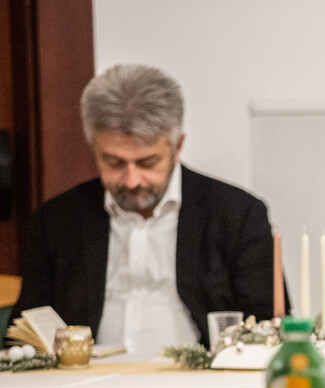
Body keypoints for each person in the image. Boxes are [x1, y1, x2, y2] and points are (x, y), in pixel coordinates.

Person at [13, 64, 280, 353]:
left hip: (200, 376)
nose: (131, 181)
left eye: (147, 163)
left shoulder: (237, 214)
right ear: (93, 147)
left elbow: (266, 324)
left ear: (178, 147)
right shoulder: (57, 220)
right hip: (89, 377)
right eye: (114, 162)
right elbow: (27, 332)